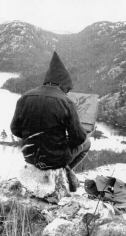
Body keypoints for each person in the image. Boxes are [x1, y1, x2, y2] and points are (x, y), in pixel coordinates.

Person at [10, 51, 91, 192]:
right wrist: (62, 140)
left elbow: (15, 129)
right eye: (67, 89)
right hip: (54, 159)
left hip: (30, 157)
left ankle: (62, 172)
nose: (67, 92)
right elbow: (78, 138)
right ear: (63, 84)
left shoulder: (25, 96)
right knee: (87, 143)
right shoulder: (67, 102)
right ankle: (64, 173)